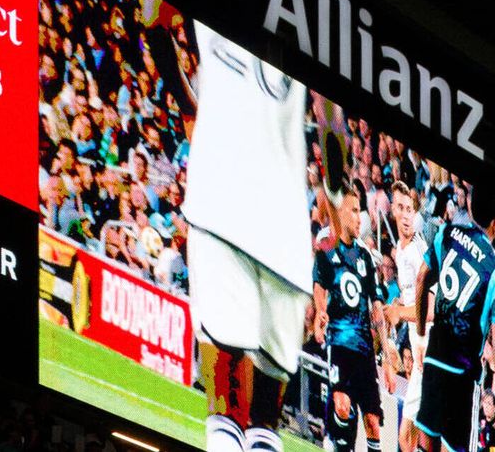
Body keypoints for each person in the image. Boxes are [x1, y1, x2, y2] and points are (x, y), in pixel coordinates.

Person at [182, 22, 312, 452]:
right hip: (288, 237)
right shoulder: (313, 13)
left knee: (226, 410)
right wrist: (331, 206)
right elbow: (332, 129)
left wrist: (189, 106)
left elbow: (151, 17)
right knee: (264, 426)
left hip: (223, 203)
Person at [412, 182, 495, 452]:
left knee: (426, 443)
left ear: (469, 207)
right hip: (462, 374)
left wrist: (421, 336)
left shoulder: (446, 233)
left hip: (435, 356)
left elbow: (422, 279)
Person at [314, 177, 387, 452]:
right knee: (342, 405)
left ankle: (336, 443)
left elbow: (377, 310)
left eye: (361, 211)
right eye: (354, 211)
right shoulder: (327, 250)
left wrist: (389, 362)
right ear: (342, 212)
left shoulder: (366, 258)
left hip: (365, 350)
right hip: (340, 343)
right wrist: (321, 312)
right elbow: (319, 286)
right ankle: (337, 443)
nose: (360, 218)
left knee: (372, 421)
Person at [383, 182, 431, 452]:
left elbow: (432, 308)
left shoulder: (417, 251)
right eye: (400, 208)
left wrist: (399, 313)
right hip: (418, 354)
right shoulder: (401, 251)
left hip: (430, 351)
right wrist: (400, 302)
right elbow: (415, 297)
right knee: (406, 438)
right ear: (392, 210)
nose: (405, 215)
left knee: (416, 436)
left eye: (410, 209)